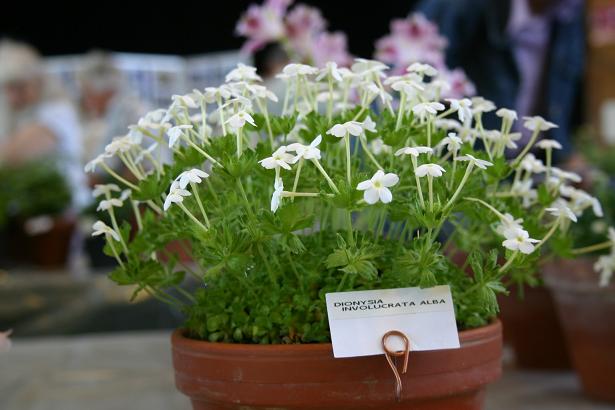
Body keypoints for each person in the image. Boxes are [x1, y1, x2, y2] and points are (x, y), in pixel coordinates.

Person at [415, 0, 585, 168]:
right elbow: (414, 79)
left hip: (526, 167)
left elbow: (560, 101)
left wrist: (565, 155)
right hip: (457, 165)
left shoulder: (568, 15)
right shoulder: (460, 6)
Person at [0, 39, 89, 210]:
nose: (13, 96)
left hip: (64, 211)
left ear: (38, 80)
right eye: (7, 88)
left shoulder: (57, 112)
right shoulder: (19, 115)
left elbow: (12, 156)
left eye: (20, 87)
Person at [78, 52, 149, 165]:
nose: (86, 101)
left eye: (87, 94)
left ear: (103, 92)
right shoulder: (120, 108)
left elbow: (144, 164)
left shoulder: (128, 111)